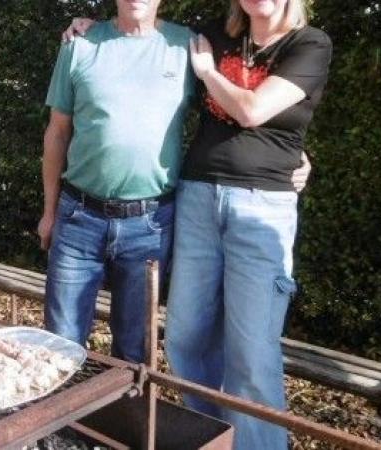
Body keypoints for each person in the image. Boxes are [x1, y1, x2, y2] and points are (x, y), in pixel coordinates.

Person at [62, 0, 331, 448]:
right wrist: (89, 25)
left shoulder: (309, 44)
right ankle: (213, 438)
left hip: (262, 205)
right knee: (185, 337)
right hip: (198, 198)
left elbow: (252, 112)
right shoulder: (214, 35)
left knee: (252, 352)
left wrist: (209, 73)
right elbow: (146, 29)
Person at [39, 0, 196, 363]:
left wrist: (288, 149)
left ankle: (123, 420)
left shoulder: (184, 47)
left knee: (133, 353)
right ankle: (62, 421)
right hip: (78, 219)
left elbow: (227, 110)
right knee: (59, 347)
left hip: (150, 226)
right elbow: (57, 132)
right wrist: (49, 212)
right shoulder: (80, 43)